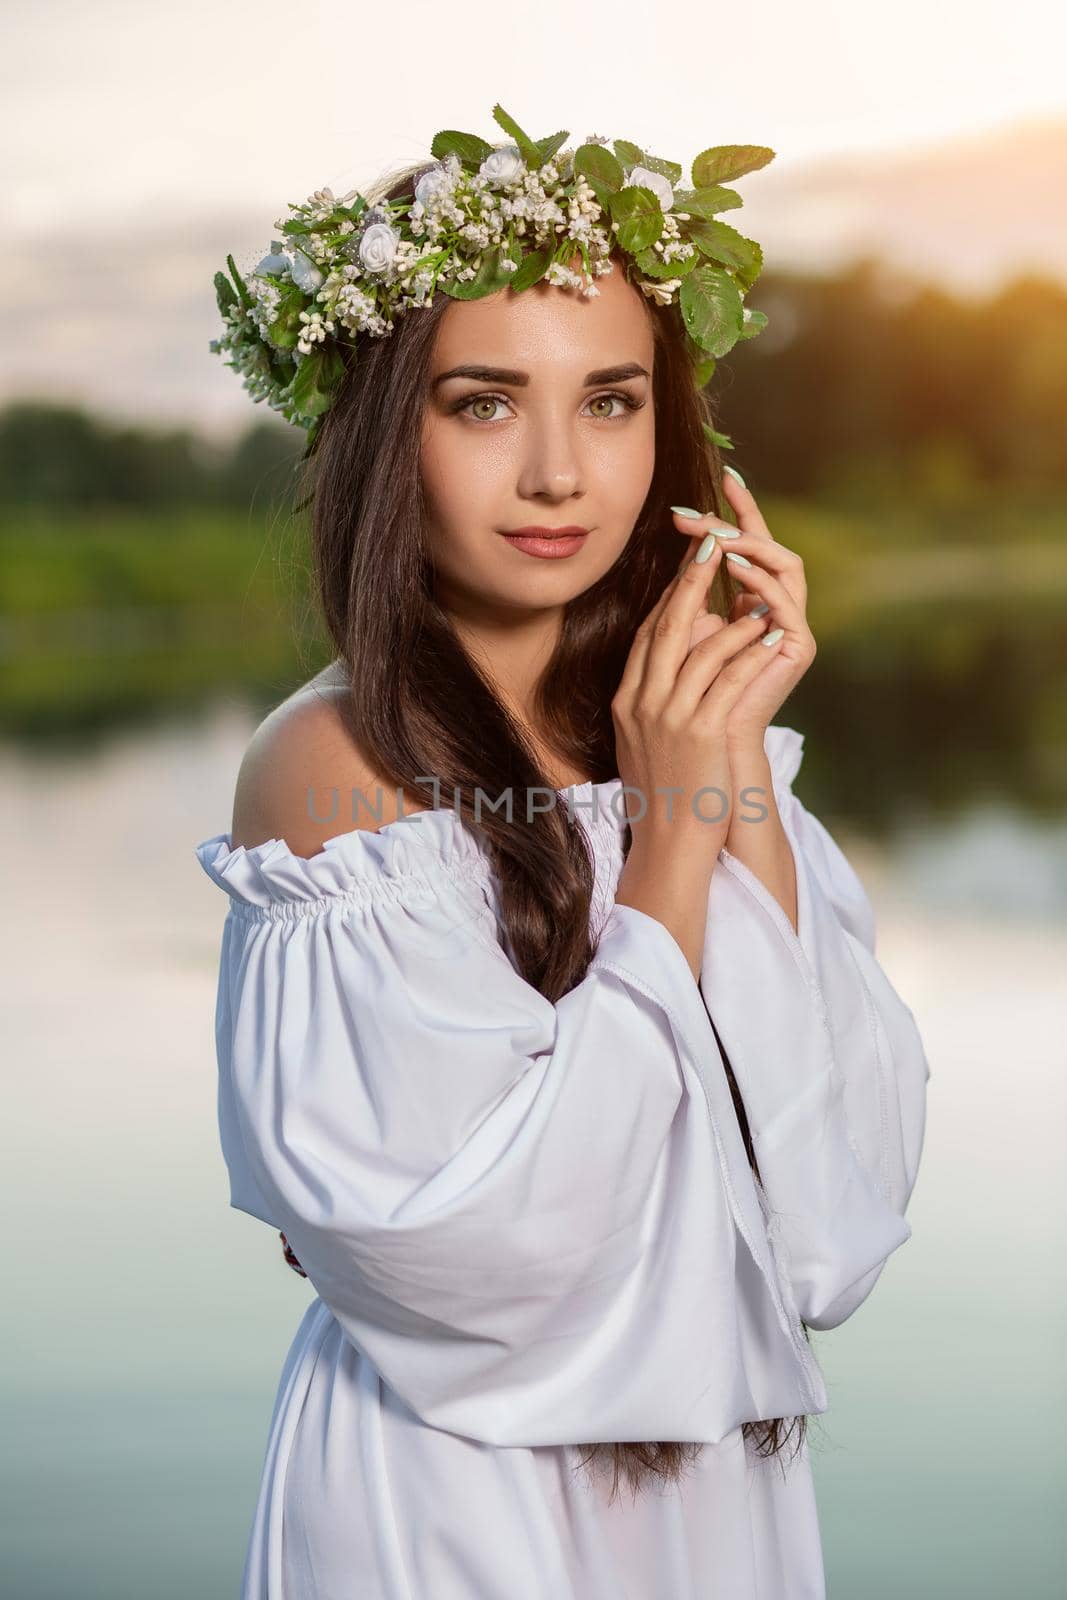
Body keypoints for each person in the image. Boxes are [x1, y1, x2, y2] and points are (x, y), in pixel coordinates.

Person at [195, 110, 929, 1598]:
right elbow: (496, 1276)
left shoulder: (681, 730)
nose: (555, 473)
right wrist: (671, 840)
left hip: (714, 1493)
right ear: (383, 426)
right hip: (459, 1498)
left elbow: (830, 1225)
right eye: (482, 403)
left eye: (609, 401)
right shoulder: (328, 772)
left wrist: (724, 780)